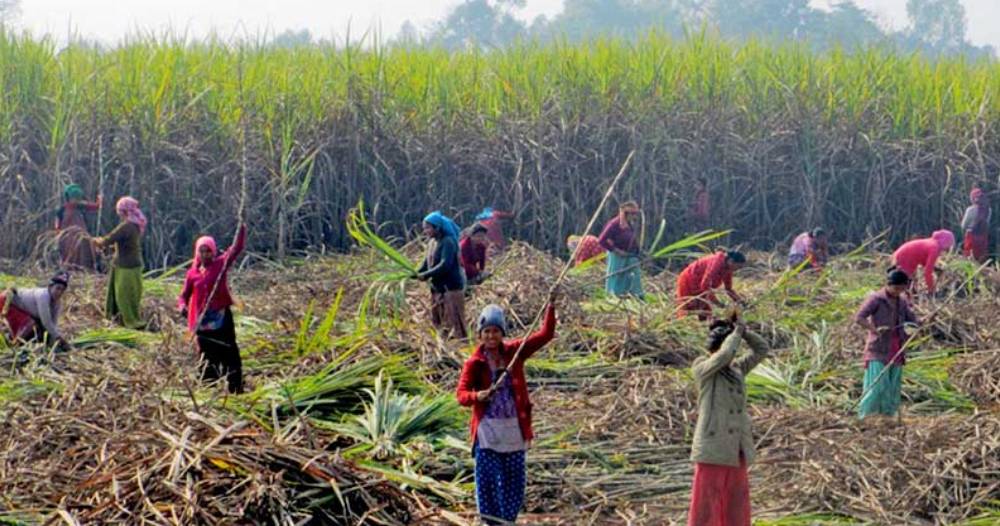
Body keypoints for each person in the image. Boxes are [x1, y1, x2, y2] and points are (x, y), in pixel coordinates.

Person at [456, 295, 558, 526]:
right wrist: (477, 396)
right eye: (486, 331)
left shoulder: (515, 352)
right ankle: (491, 522)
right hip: (487, 433)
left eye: (495, 331)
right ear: (480, 334)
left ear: (502, 333)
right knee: (488, 483)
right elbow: (461, 395)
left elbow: (546, 335)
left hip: (513, 430)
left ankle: (507, 522)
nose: (491, 336)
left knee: (514, 483)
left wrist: (550, 306)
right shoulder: (474, 363)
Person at [687, 316, 769, 526]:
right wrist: (735, 335)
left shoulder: (736, 369)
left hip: (735, 447)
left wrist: (744, 331)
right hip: (713, 446)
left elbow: (761, 349)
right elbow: (723, 356)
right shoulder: (702, 368)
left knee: (735, 499)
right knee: (707, 501)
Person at [177, 224, 247, 393]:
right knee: (207, 357)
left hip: (221, 319)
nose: (205, 255)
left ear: (213, 251)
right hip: (202, 323)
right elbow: (183, 295)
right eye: (201, 251)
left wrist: (242, 226)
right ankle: (208, 390)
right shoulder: (192, 273)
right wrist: (182, 307)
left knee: (229, 352)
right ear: (197, 253)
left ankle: (235, 389)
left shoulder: (220, 264)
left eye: (208, 251)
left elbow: (236, 248)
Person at [854, 269, 919, 420]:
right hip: (879, 348)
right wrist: (874, 330)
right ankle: (866, 417)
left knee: (892, 386)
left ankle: (888, 418)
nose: (898, 292)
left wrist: (921, 322)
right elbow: (859, 318)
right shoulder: (876, 299)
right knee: (876, 386)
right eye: (896, 288)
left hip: (896, 347)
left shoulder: (902, 301)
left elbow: (912, 319)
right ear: (888, 285)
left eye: (901, 289)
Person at [93, 197, 147, 329]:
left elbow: (108, 240)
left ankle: (130, 322)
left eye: (120, 212)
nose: (119, 215)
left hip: (125, 266)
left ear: (124, 212)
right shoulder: (136, 225)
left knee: (123, 295)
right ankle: (122, 318)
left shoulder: (126, 226)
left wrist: (96, 241)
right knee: (132, 293)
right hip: (134, 264)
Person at [417, 211, 467, 340]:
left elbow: (445, 265)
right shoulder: (432, 242)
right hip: (437, 288)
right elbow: (426, 263)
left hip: (450, 288)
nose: (425, 231)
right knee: (439, 321)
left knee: (452, 323)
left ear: (437, 227)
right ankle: (443, 343)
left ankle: (456, 345)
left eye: (428, 228)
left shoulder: (448, 242)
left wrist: (426, 275)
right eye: (424, 228)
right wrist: (416, 273)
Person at [0, 271, 73, 351]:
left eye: (62, 290)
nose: (59, 292)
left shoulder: (57, 303)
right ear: (50, 287)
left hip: (24, 310)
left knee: (42, 333)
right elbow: (47, 322)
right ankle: (15, 345)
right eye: (57, 288)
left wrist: (53, 343)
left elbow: (53, 324)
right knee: (30, 326)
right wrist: (61, 340)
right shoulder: (43, 296)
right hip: (7, 302)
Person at [676, 250, 747, 320]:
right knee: (686, 307)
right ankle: (680, 324)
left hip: (701, 285)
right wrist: (717, 303)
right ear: (731, 261)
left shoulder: (728, 269)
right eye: (738, 267)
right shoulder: (716, 262)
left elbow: (728, 289)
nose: (738, 269)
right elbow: (705, 286)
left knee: (706, 313)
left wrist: (740, 301)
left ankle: (702, 325)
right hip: (688, 280)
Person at [597, 201, 644, 298]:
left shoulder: (629, 224)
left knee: (633, 277)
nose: (634, 216)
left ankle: (637, 296)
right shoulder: (614, 224)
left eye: (635, 214)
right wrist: (616, 251)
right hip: (618, 257)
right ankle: (614, 296)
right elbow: (601, 240)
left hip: (630, 256)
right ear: (626, 214)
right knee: (617, 278)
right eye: (632, 214)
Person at [890, 229, 955, 296]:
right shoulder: (935, 248)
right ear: (945, 243)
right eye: (948, 246)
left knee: (911, 286)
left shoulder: (931, 242)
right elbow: (927, 273)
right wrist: (931, 290)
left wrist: (935, 269)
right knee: (906, 286)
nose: (946, 250)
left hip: (900, 255)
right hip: (904, 259)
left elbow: (923, 260)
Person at [55, 184, 102, 271]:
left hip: (81, 235)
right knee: (69, 255)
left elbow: (96, 206)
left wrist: (99, 199)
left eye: (78, 199)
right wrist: (59, 235)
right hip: (67, 237)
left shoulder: (80, 206)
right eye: (74, 199)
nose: (76, 201)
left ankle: (85, 269)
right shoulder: (61, 210)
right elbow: (57, 225)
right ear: (69, 198)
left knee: (85, 252)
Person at [961, 188, 990, 262]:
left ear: (972, 198)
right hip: (983, 235)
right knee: (981, 256)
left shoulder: (970, 210)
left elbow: (963, 225)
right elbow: (987, 223)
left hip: (971, 234)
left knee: (969, 256)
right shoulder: (989, 210)